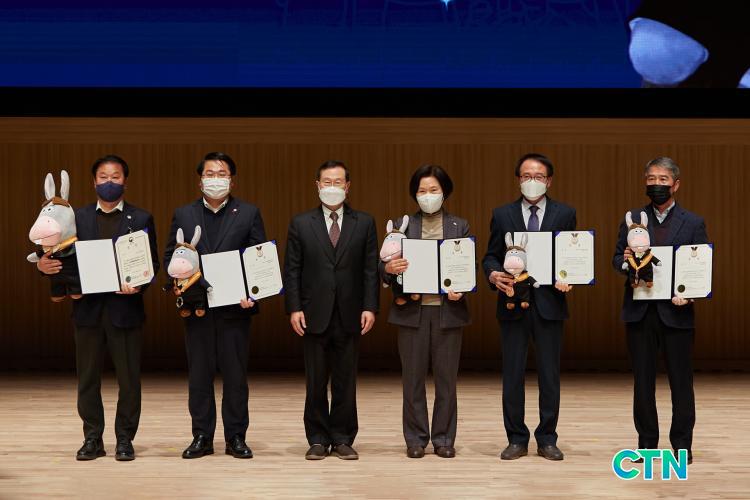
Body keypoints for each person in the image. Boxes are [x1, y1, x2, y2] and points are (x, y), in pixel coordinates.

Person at [37, 155, 159, 461]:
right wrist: (42, 265)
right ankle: (92, 438)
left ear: (125, 181)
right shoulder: (76, 217)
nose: (109, 182)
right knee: (87, 379)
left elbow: (152, 264)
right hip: (87, 311)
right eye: (103, 177)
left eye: (115, 177)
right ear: (94, 182)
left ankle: (124, 439)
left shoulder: (141, 218)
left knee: (129, 381)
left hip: (125, 311)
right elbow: (55, 252)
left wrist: (139, 284)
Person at [163, 152, 266, 459]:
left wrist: (254, 293)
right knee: (199, 376)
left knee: (235, 378)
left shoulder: (248, 213)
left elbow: (258, 258)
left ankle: (236, 437)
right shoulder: (184, 214)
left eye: (222, 174)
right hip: (197, 309)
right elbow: (170, 257)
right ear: (200, 180)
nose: (215, 179)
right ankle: (201, 436)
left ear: (232, 180)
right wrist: (175, 281)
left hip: (235, 309)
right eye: (210, 174)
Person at [612, 157, 708, 465]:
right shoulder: (632, 218)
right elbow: (617, 258)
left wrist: (689, 294)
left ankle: (682, 444)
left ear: (675, 184)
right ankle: (646, 444)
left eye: (663, 179)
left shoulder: (693, 222)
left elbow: (700, 265)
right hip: (640, 311)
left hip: (677, 313)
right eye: (651, 179)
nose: (657, 184)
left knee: (681, 382)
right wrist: (627, 261)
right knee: (642, 383)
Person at [482, 153, 575, 461]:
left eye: (538, 176)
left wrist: (570, 277)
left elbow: (572, 255)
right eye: (526, 176)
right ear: (518, 180)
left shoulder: (565, 213)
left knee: (549, 375)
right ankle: (516, 439)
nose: (532, 181)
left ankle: (547, 438)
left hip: (550, 303)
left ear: (549, 181)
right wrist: (493, 274)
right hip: (512, 303)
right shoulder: (502, 214)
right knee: (512, 374)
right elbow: (491, 256)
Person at [283, 160, 379, 460]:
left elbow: (370, 270)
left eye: (338, 182)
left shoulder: (364, 222)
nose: (332, 187)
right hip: (313, 313)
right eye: (327, 182)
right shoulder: (301, 223)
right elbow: (292, 269)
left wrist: (370, 306)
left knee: (345, 381)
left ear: (347, 187)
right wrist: (294, 308)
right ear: (317, 185)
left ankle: (342, 437)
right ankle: (316, 438)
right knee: (315, 381)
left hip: (351, 313)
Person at [380, 165, 470, 459]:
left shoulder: (459, 225)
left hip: (447, 312)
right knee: (412, 380)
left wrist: (462, 287)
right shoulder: (402, 225)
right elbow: (381, 266)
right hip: (412, 313)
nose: (427, 195)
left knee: (447, 381)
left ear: (445, 192)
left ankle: (444, 438)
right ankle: (416, 439)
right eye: (422, 191)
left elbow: (467, 265)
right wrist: (388, 268)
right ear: (414, 194)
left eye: (433, 190)